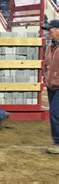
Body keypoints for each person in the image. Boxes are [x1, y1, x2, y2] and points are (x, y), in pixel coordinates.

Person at [42, 20, 59, 154]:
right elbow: (46, 64)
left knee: (54, 113)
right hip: (51, 85)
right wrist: (45, 76)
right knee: (54, 113)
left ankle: (57, 142)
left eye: (50, 30)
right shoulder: (49, 47)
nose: (48, 32)